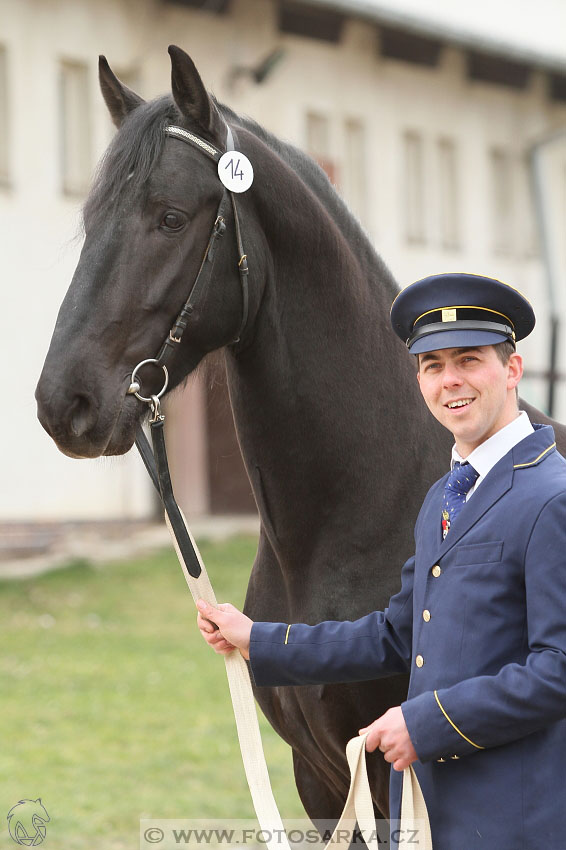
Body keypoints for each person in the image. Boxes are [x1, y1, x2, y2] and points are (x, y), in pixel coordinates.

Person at [197, 273, 566, 849]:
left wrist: (425, 724)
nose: (451, 381)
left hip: (514, 825)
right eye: (432, 365)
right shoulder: (443, 498)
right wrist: (258, 639)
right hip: (426, 821)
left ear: (511, 369)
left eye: (469, 360)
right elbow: (395, 636)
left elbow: (557, 671)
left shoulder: (552, 496)